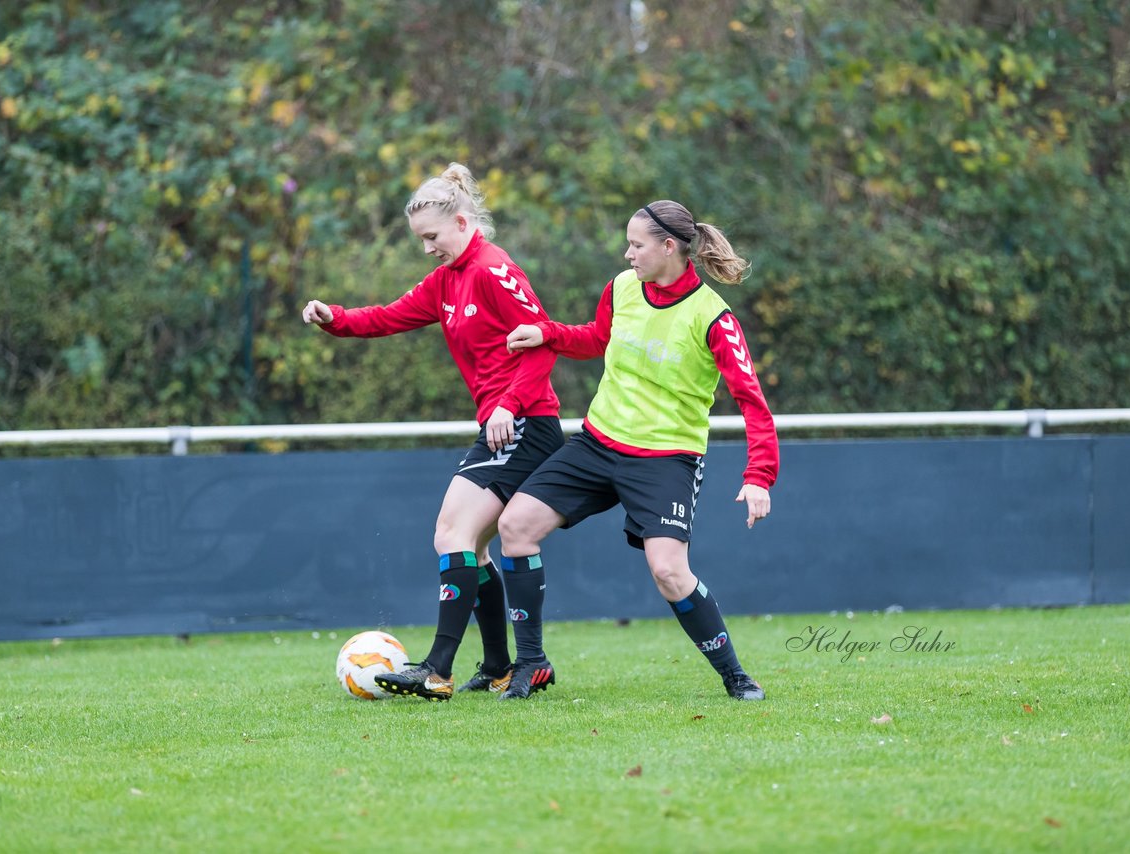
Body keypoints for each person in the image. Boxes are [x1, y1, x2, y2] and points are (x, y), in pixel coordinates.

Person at [496, 199, 778, 701]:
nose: (627, 254)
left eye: (636, 244)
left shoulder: (713, 316)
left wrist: (758, 476)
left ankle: (735, 675)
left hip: (666, 458)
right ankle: (532, 664)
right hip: (598, 443)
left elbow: (751, 401)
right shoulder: (622, 288)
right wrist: (548, 332)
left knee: (669, 571)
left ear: (669, 247)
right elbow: (595, 339)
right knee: (515, 527)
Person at [302, 163, 564, 702]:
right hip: (501, 426)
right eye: (421, 240)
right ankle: (495, 664)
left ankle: (437, 668)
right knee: (471, 547)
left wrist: (509, 405)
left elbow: (544, 344)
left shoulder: (495, 270)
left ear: (463, 223)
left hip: (526, 424)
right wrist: (335, 317)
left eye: (432, 237)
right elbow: (387, 316)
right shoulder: (446, 281)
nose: (427, 249)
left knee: (452, 535)